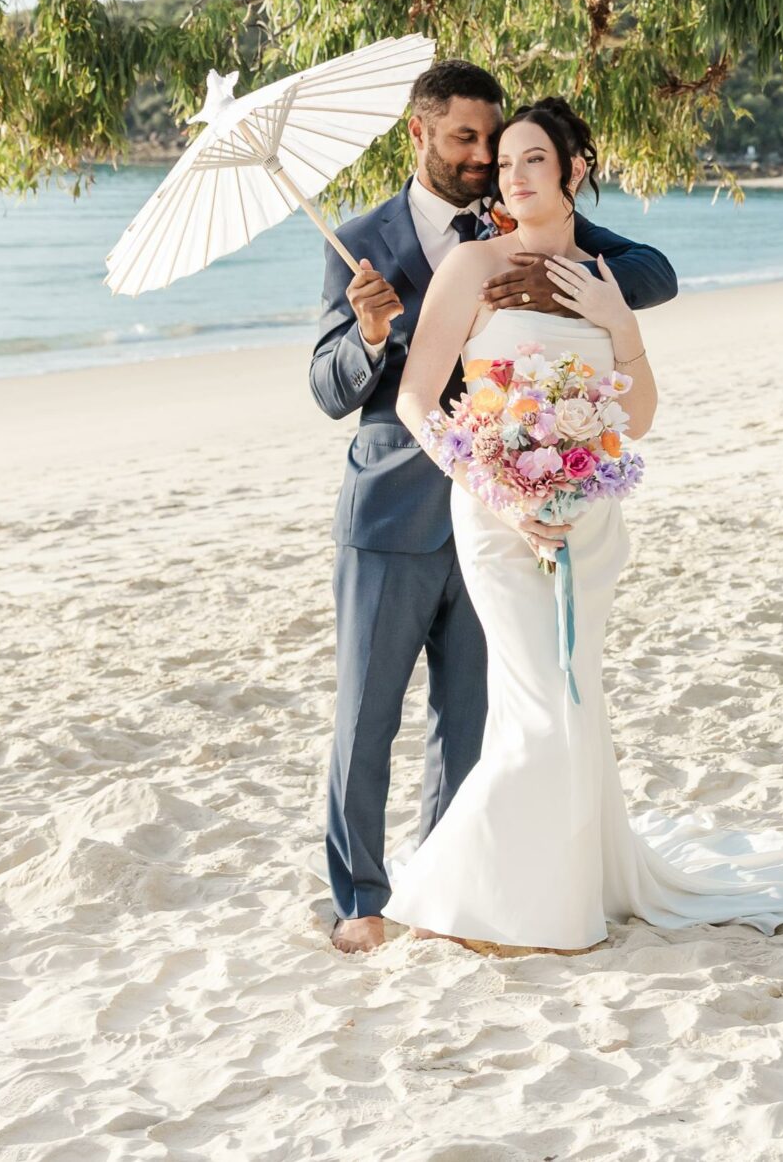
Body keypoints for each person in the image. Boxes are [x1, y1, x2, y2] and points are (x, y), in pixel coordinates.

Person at [382, 95, 783, 955]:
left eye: (532, 161)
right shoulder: (471, 270)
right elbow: (416, 398)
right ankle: (477, 900)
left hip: (589, 520)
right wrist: (502, 489)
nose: (511, 176)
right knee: (540, 710)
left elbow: (642, 412)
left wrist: (614, 321)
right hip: (497, 517)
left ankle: (561, 885)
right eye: (504, 164)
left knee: (574, 704)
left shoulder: (603, 273)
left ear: (574, 170)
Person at [309, 61, 679, 956]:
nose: (486, 161)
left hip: (534, 511)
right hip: (398, 509)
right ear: (420, 136)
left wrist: (565, 286)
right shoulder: (358, 239)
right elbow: (329, 389)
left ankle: (451, 881)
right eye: (467, 141)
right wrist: (369, 336)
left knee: (478, 717)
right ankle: (361, 895)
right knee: (366, 714)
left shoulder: (526, 228)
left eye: (499, 144)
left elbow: (651, 271)